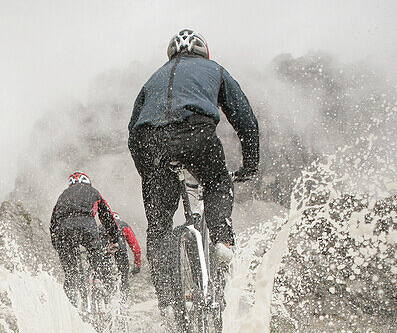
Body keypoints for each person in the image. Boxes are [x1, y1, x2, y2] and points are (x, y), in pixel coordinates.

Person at [127, 29, 259, 313]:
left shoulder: (153, 78)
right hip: (196, 133)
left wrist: (149, 173)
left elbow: (132, 133)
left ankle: (165, 299)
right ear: (203, 52)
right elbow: (245, 118)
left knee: (159, 226)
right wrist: (250, 164)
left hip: (151, 142)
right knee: (216, 182)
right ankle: (222, 241)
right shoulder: (214, 69)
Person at [48, 172, 122, 304]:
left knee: (71, 273)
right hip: (87, 227)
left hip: (64, 232)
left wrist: (56, 244)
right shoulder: (93, 192)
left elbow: (53, 221)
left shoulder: (63, 194)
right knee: (96, 254)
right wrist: (114, 239)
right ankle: (101, 282)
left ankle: (72, 304)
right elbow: (107, 216)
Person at [110, 211, 142, 291]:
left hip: (107, 248)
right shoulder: (124, 225)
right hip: (121, 249)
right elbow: (136, 248)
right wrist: (137, 265)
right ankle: (123, 301)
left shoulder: (102, 225)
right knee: (124, 277)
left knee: (104, 275)